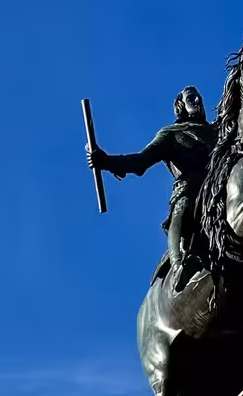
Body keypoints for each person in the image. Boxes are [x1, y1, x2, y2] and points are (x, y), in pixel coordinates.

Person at [87, 86, 215, 287]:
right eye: (191, 98)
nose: (198, 100)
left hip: (217, 186)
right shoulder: (171, 134)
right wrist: (108, 161)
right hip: (190, 188)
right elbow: (141, 161)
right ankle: (179, 264)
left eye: (199, 97)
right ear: (181, 105)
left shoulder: (217, 132)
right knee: (183, 207)